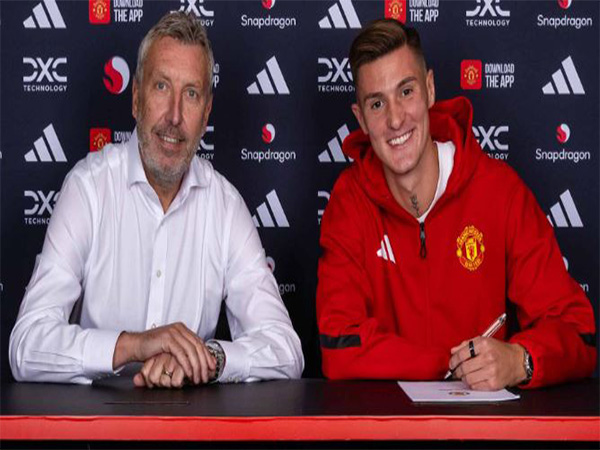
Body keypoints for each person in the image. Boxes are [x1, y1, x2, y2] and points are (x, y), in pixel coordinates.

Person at [9, 11, 303, 388]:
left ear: (206, 114)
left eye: (191, 94)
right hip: (96, 423)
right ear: (136, 98)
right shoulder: (89, 188)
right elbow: (26, 346)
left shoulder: (225, 206)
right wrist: (135, 345)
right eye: (162, 87)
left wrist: (207, 358)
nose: (174, 116)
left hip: (188, 423)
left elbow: (286, 350)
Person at [316, 19, 596, 390]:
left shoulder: (499, 190)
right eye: (377, 103)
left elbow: (579, 333)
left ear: (430, 89)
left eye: (406, 91)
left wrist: (521, 360)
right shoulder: (349, 201)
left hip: (484, 424)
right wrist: (449, 364)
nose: (395, 119)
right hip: (389, 423)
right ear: (361, 119)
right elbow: (338, 346)